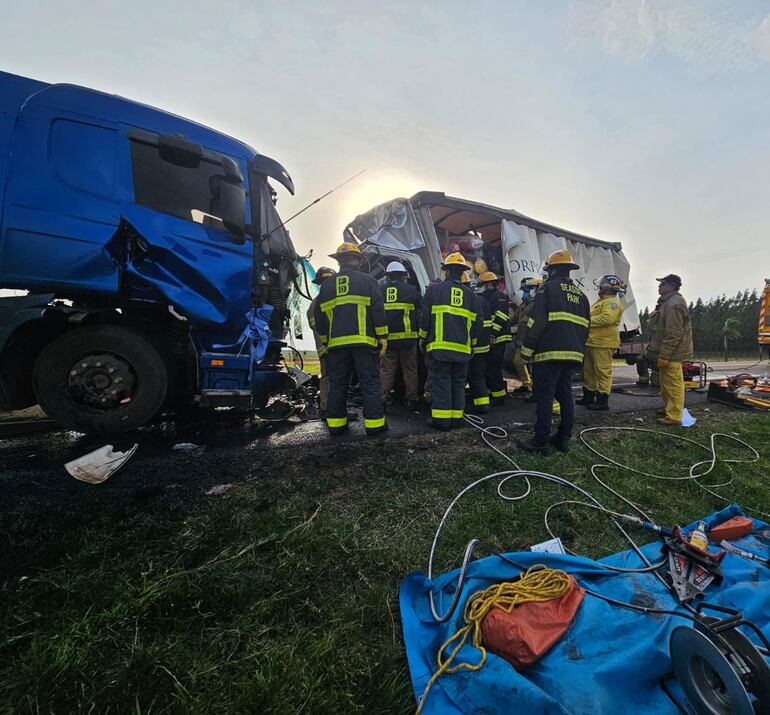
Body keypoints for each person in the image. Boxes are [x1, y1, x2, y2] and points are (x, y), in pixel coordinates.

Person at [517, 249, 590, 455]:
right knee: (565, 395)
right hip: (572, 355)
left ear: (552, 270)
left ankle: (540, 442)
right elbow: (586, 328)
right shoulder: (582, 296)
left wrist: (526, 352)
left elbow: (536, 323)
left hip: (548, 354)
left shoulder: (547, 289)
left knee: (545, 397)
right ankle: (563, 439)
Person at [314, 242, 388, 436]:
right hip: (364, 344)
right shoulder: (368, 281)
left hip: (336, 346)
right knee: (369, 383)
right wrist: (382, 337)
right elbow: (378, 311)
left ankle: (336, 425)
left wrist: (326, 341)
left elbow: (320, 319)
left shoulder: (326, 286)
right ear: (358, 261)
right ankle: (375, 425)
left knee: (338, 384)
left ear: (339, 261)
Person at [419, 252, 481, 430]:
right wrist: (473, 343)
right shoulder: (471, 295)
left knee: (441, 382)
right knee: (458, 383)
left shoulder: (434, 291)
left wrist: (422, 337)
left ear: (446, 271)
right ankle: (456, 419)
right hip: (463, 349)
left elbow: (425, 318)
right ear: (462, 272)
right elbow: (477, 323)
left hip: (440, 349)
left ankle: (442, 421)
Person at [644, 274, 693, 426]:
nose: (659, 287)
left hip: (672, 354)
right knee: (665, 384)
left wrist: (665, 355)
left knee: (673, 384)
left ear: (671, 286)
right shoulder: (667, 303)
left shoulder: (673, 304)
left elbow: (674, 333)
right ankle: (669, 409)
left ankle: (674, 416)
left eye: (662, 284)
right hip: (667, 352)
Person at [577, 274, 626, 411]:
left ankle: (602, 400)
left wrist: (586, 321)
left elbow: (607, 319)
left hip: (603, 343)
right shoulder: (602, 302)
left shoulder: (611, 303)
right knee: (589, 371)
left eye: (601, 286)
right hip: (593, 342)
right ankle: (589, 395)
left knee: (602, 372)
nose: (599, 288)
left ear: (606, 287)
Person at [380, 261, 421, 410]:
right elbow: (421, 309)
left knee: (386, 369)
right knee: (410, 369)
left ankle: (383, 397)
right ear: (404, 276)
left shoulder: (380, 291)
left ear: (388, 276)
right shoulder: (411, 290)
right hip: (408, 339)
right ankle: (411, 399)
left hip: (388, 340)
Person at [306, 266, 336, 416]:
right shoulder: (329, 301)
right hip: (331, 346)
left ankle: (327, 407)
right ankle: (330, 408)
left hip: (325, 347)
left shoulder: (315, 303)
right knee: (332, 378)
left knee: (328, 377)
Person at [479, 272, 512, 405]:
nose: (482, 288)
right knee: (490, 368)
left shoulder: (498, 297)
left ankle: (499, 397)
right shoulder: (490, 296)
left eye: (483, 285)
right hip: (493, 338)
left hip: (498, 339)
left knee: (493, 368)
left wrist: (493, 333)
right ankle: (495, 393)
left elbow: (501, 317)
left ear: (489, 284)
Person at [512, 277, 542, 397]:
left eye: (527, 289)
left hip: (532, 340)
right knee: (518, 361)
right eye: (524, 290)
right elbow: (514, 319)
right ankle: (527, 384)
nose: (525, 292)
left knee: (534, 366)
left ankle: (535, 389)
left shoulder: (538, 305)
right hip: (521, 340)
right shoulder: (522, 305)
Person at [466, 270, 492, 414]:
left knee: (467, 375)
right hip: (484, 345)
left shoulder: (469, 300)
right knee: (478, 375)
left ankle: (468, 405)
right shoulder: (484, 300)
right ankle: (482, 403)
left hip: (472, 344)